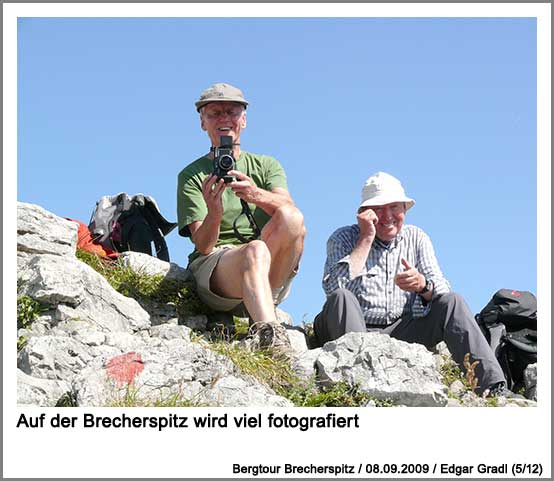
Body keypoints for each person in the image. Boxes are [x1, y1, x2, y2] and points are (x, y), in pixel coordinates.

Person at [314, 171, 510, 397]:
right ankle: (358, 389)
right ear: (364, 213)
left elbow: (442, 290)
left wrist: (422, 286)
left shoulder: (417, 238)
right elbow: (334, 291)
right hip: (350, 328)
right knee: (343, 297)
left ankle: (493, 388)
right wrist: (366, 239)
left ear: (404, 209)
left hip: (401, 328)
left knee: (453, 301)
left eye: (394, 207)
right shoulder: (343, 237)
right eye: (378, 208)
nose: (387, 216)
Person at [177, 83, 305, 355]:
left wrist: (255, 194)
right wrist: (215, 213)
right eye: (214, 113)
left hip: (265, 269)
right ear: (203, 122)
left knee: (291, 217)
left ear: (244, 120)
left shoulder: (266, 166)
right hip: (218, 270)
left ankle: (260, 308)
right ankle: (271, 340)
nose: (224, 119)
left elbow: (289, 209)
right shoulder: (192, 176)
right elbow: (203, 246)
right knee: (255, 250)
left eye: (232, 112)